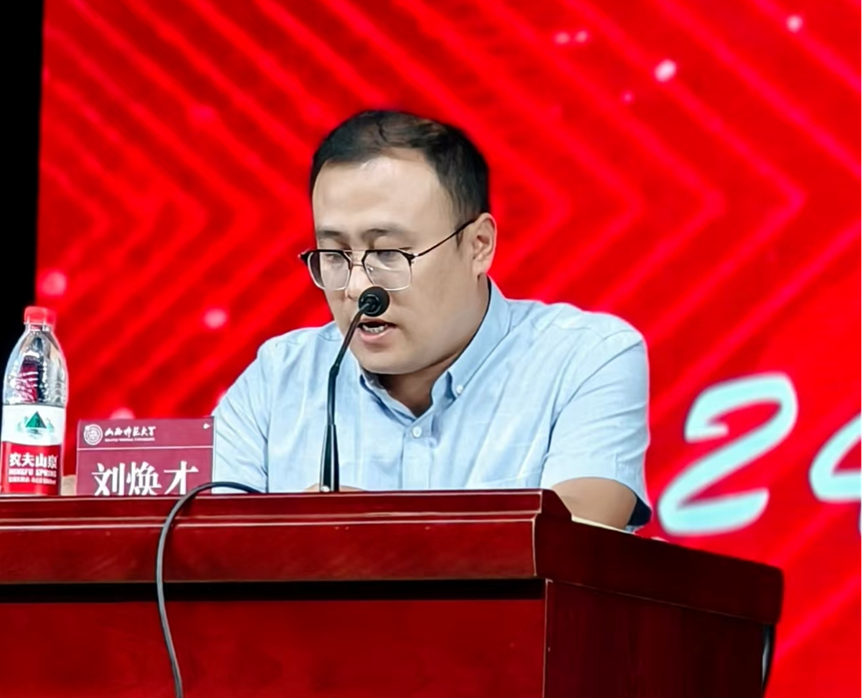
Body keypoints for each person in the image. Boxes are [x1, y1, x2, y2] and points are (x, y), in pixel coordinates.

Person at [213, 109, 651, 529]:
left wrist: (372, 531)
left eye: (389, 253)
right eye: (335, 254)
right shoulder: (277, 381)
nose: (357, 287)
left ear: (478, 245)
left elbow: (575, 540)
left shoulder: (584, 359)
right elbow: (207, 554)